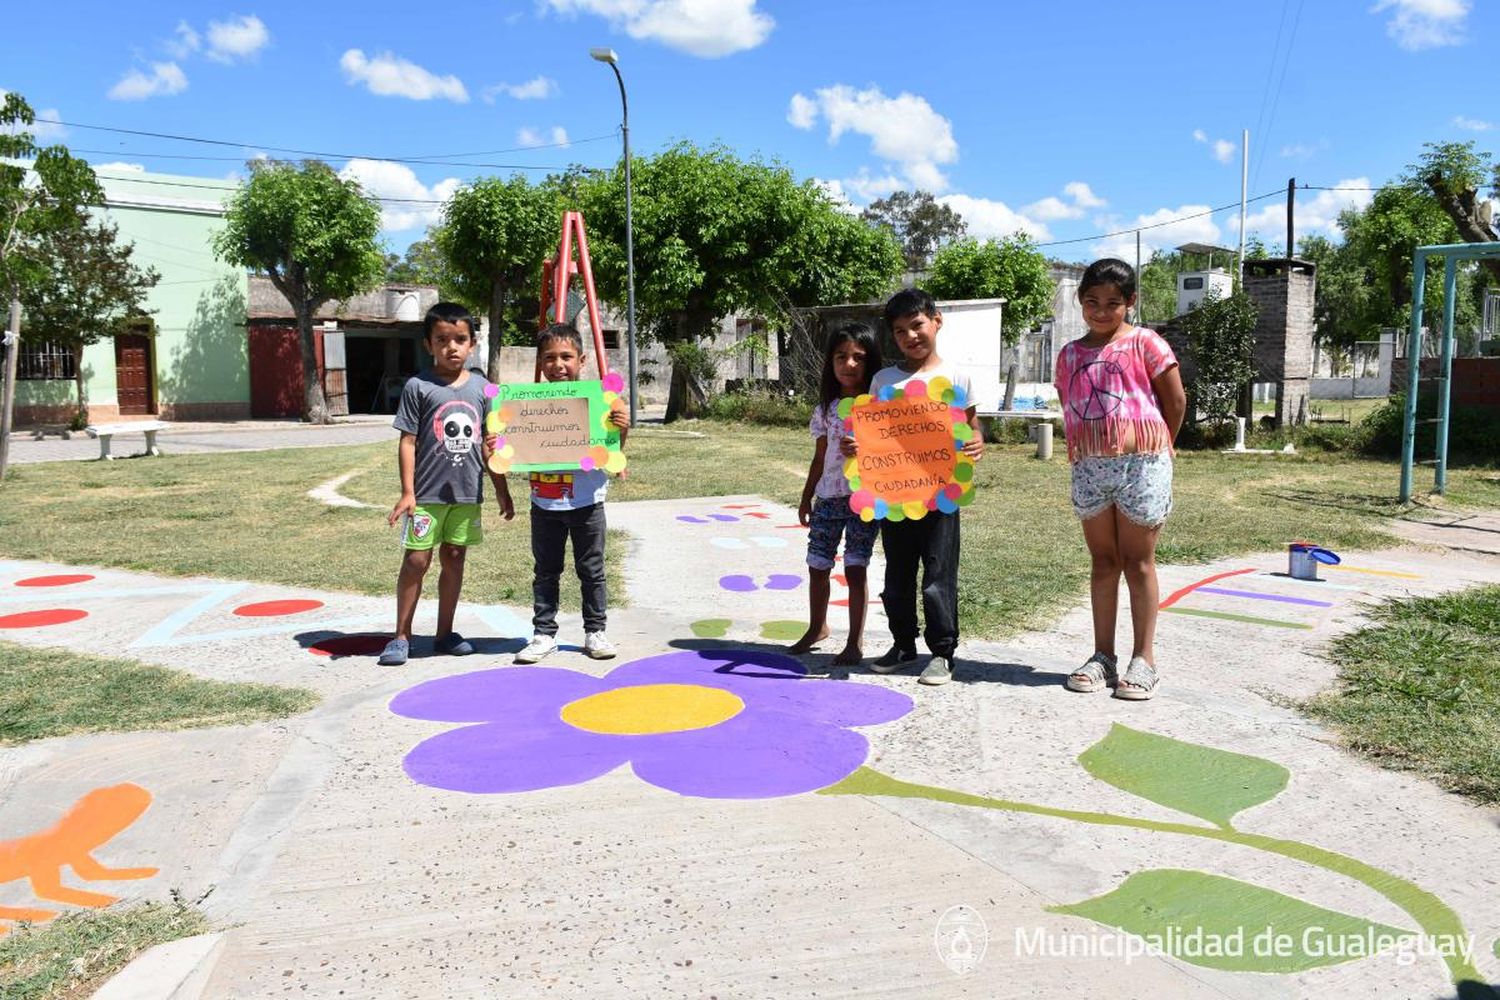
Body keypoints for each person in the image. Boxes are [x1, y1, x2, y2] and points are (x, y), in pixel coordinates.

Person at [1054, 258, 1186, 701]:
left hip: (1141, 468)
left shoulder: (1147, 343)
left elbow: (1176, 402)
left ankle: (1143, 660)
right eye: (1092, 301)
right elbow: (1070, 403)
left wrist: (1157, 448)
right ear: (1080, 302)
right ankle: (1102, 656)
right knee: (1104, 562)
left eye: (1113, 302)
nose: (1101, 310)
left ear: (1130, 302)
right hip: (1089, 469)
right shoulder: (1069, 354)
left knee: (1138, 562)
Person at [843, 288, 984, 686]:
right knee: (897, 577)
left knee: (939, 575)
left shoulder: (956, 376)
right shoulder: (883, 379)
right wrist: (854, 445)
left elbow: (971, 428)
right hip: (894, 497)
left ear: (936, 321)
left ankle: (942, 653)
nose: (911, 336)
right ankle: (903, 644)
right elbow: (869, 433)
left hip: (940, 497)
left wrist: (977, 441)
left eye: (917, 325)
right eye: (901, 330)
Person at [381, 302, 514, 667]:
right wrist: (408, 492)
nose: (451, 347)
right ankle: (401, 636)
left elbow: (493, 446)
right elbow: (407, 441)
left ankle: (444, 634)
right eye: (442, 340)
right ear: (428, 344)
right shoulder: (417, 386)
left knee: (454, 559)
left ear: (472, 344)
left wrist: (501, 490)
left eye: (460, 339)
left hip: (467, 495)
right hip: (426, 495)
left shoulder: (484, 389)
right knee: (416, 560)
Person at [511, 324, 630, 663]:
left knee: (592, 570)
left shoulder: (600, 401)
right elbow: (515, 452)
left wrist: (621, 429)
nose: (558, 364)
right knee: (546, 571)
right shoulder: (529, 405)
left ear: (582, 360)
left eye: (566, 357)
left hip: (587, 502)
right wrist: (501, 444)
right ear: (540, 362)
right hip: (543, 503)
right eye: (549, 358)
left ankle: (595, 632)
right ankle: (543, 634)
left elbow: (612, 451)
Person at [790, 322, 883, 671]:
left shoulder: (879, 408)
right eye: (841, 356)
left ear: (870, 362)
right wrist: (806, 496)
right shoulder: (826, 409)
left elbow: (891, 452)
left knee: (856, 568)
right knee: (818, 566)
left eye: (859, 357)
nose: (849, 364)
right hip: (828, 499)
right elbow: (819, 457)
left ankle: (854, 641)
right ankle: (817, 627)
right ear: (830, 362)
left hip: (864, 500)